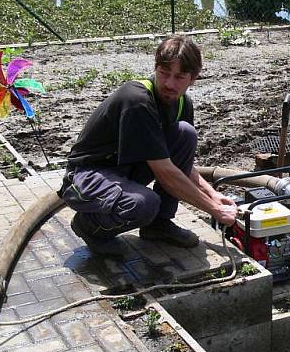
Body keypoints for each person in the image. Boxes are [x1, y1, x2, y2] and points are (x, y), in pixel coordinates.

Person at [59, 35, 237, 254]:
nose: (169, 84)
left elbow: (177, 165)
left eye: (179, 77)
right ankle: (89, 227)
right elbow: (166, 174)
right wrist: (214, 210)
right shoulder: (138, 100)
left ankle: (158, 226)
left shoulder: (182, 104)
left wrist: (213, 195)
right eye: (164, 74)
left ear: (193, 79)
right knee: (144, 203)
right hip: (89, 174)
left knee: (185, 133)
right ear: (155, 69)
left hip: (125, 168)